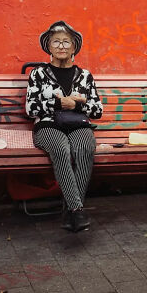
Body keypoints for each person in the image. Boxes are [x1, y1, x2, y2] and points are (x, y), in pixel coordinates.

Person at [26, 21, 103, 232]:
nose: (61, 46)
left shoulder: (85, 76)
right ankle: (77, 210)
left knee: (85, 148)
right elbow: (31, 109)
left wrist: (77, 103)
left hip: (78, 124)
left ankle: (70, 211)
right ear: (48, 47)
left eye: (66, 42)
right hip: (48, 126)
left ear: (74, 47)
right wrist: (59, 103)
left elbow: (97, 110)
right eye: (56, 42)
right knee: (61, 149)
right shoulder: (38, 74)